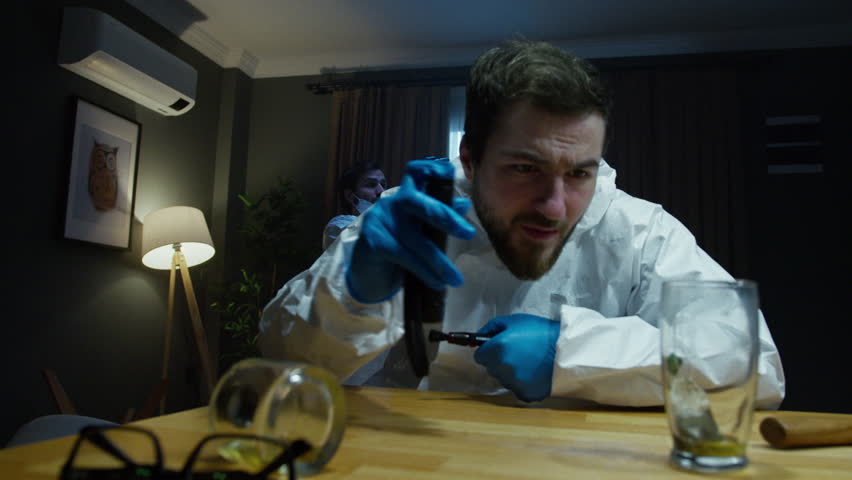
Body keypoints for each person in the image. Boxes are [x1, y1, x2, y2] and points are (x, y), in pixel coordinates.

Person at [260, 39, 785, 407]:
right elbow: (281, 359)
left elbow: (752, 368)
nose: (554, 205)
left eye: (579, 171)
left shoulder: (644, 233)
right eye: (524, 169)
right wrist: (353, 291)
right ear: (469, 159)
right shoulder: (406, 216)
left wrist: (573, 356)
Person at [322, 162, 387, 250]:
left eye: (383, 185)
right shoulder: (338, 227)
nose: (381, 191)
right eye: (371, 185)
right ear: (350, 196)